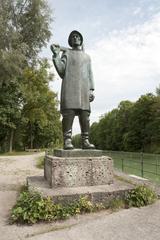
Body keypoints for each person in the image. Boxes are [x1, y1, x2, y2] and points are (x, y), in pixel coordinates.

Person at [51, 30, 95, 150]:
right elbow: (61, 71)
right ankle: (67, 140)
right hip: (70, 88)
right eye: (73, 37)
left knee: (85, 115)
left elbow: (90, 74)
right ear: (70, 41)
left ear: (81, 40)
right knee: (68, 114)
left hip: (84, 90)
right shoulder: (67, 54)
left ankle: (85, 140)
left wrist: (91, 89)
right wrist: (56, 56)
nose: (75, 38)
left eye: (77, 36)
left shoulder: (87, 57)